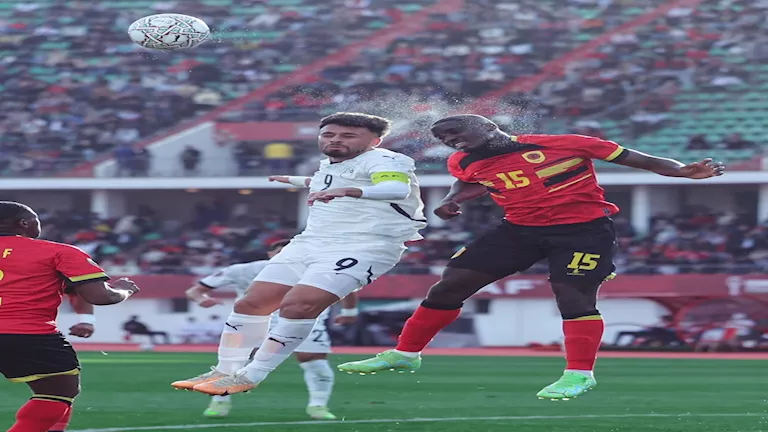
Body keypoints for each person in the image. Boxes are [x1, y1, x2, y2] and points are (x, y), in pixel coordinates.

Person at [337, 114, 725, 400]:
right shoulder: (463, 161)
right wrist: (454, 199)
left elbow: (644, 161)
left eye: (457, 133)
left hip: (583, 230)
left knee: (572, 296)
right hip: (519, 229)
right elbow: (470, 181)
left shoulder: (568, 144)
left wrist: (682, 171)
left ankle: (579, 374)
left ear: (488, 127)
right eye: (444, 138)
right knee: (451, 284)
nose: (451, 141)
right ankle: (406, 353)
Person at [171, 112, 426, 397]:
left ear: (374, 141)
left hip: (366, 244)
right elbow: (328, 180)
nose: (335, 140)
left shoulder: (386, 160)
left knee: (298, 305)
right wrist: (298, 181)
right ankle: (224, 370)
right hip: (310, 241)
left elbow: (394, 188)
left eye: (348, 135)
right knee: (252, 303)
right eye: (329, 134)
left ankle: (251, 375)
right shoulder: (331, 164)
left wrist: (348, 191)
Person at [175, 239, 358, 420]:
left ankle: (318, 406)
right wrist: (202, 300)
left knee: (315, 362)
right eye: (281, 252)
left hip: (306, 321)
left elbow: (348, 288)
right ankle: (219, 402)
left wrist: (350, 311)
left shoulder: (321, 269)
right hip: (256, 320)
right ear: (270, 254)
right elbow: (195, 290)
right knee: (234, 361)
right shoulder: (244, 270)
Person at [0, 201, 140, 432]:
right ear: (24, 223)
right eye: (37, 220)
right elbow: (100, 295)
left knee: (52, 392)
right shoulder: (57, 251)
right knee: (58, 391)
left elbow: (75, 290)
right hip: (28, 334)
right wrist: (125, 290)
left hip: (24, 333)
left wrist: (86, 319)